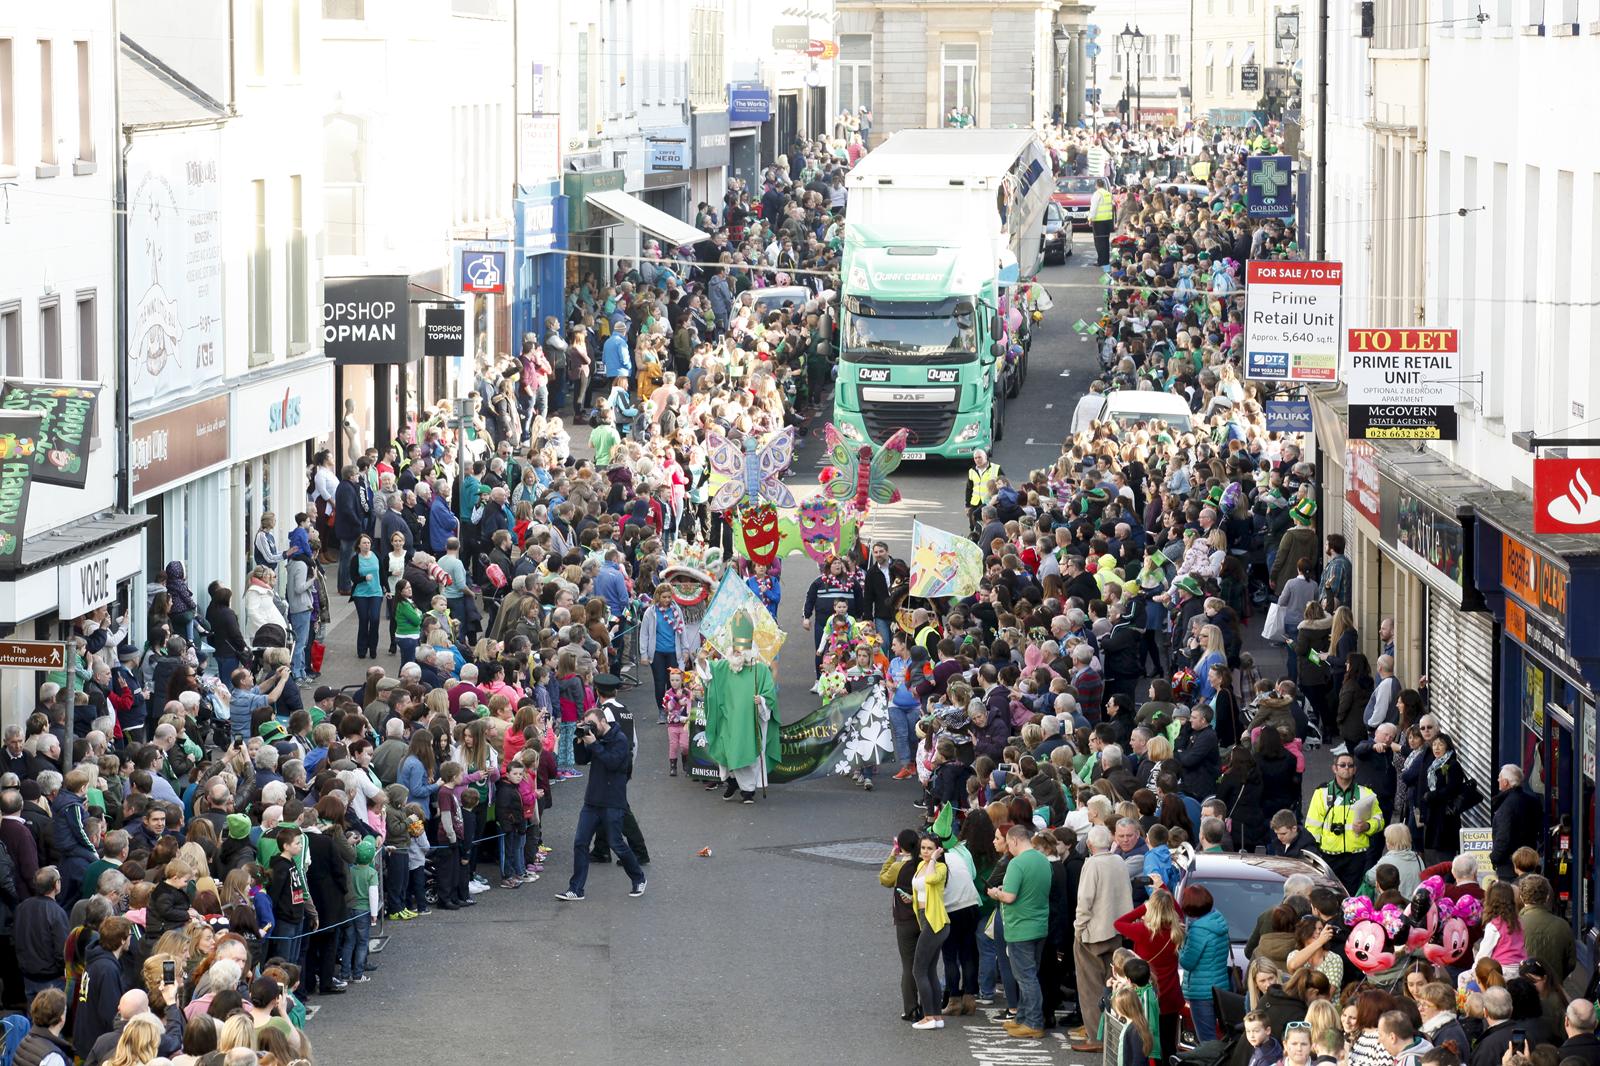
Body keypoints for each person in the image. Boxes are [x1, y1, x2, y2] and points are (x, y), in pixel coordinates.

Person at [555, 699, 647, 901]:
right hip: (592, 800)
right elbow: (582, 760)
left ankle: (638, 877)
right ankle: (576, 889)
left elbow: (612, 763)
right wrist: (578, 740)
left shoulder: (620, 739)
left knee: (616, 843)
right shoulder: (593, 737)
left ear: (603, 721)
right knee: (580, 843)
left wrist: (595, 745)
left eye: (593, 724)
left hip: (613, 801)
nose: (591, 728)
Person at [1069, 824, 1132, 1049]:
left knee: (1089, 987)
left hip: (1092, 933)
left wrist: (1078, 928)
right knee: (1113, 985)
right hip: (1116, 931)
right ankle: (1113, 1035)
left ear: (1089, 844)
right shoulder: (1119, 861)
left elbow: (1084, 901)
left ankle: (1096, 1037)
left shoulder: (1092, 864)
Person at [990, 823, 1054, 1041]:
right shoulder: (1043, 860)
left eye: (1009, 843)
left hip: (1020, 927)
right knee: (1030, 975)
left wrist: (995, 893)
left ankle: (1033, 1023)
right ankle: (1023, 1019)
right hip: (1039, 925)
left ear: (1015, 840)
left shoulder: (1016, 864)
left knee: (1025, 978)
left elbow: (1009, 897)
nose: (1008, 848)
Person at [1304, 751, 1384, 892]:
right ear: (1335, 768)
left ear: (1354, 770)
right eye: (1342, 765)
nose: (1346, 768)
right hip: (1329, 854)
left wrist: (1367, 826)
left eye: (1350, 765)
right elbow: (1312, 826)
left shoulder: (1366, 793)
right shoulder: (1322, 792)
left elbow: (1380, 820)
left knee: (1351, 894)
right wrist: (1314, 854)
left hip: (1356, 855)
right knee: (1328, 893)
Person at [908, 834, 950, 1031]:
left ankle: (928, 1016)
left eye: (929, 848)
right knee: (930, 969)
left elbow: (932, 880)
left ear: (938, 849)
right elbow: (919, 889)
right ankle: (936, 1017)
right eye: (923, 848)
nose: (925, 851)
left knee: (918, 970)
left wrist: (934, 860)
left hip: (936, 921)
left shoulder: (940, 867)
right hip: (925, 919)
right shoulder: (919, 866)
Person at [1490, 764, 1541, 880]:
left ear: (1506, 782)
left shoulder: (1506, 806)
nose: (1498, 780)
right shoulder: (1532, 801)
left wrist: (1494, 857)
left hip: (1509, 867)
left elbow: (1503, 837)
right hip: (1529, 862)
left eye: (1500, 777)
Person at [349, 534, 385, 659]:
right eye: (364, 543)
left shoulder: (375, 556)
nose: (367, 545)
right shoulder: (355, 559)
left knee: (375, 619)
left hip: (376, 592)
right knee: (364, 620)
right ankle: (362, 649)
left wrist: (388, 590)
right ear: (359, 545)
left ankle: (373, 647)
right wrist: (364, 578)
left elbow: (382, 573)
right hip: (361, 594)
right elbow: (353, 578)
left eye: (368, 543)